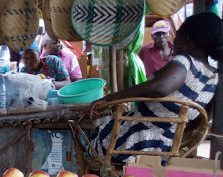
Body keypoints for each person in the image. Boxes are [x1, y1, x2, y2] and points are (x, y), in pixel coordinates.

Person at [88, 12, 223, 164]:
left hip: (130, 142)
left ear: (188, 40)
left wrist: (109, 98)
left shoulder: (186, 61)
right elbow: (201, 119)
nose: (174, 39)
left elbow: (159, 87)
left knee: (86, 140)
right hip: (165, 149)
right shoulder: (214, 77)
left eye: (177, 35)